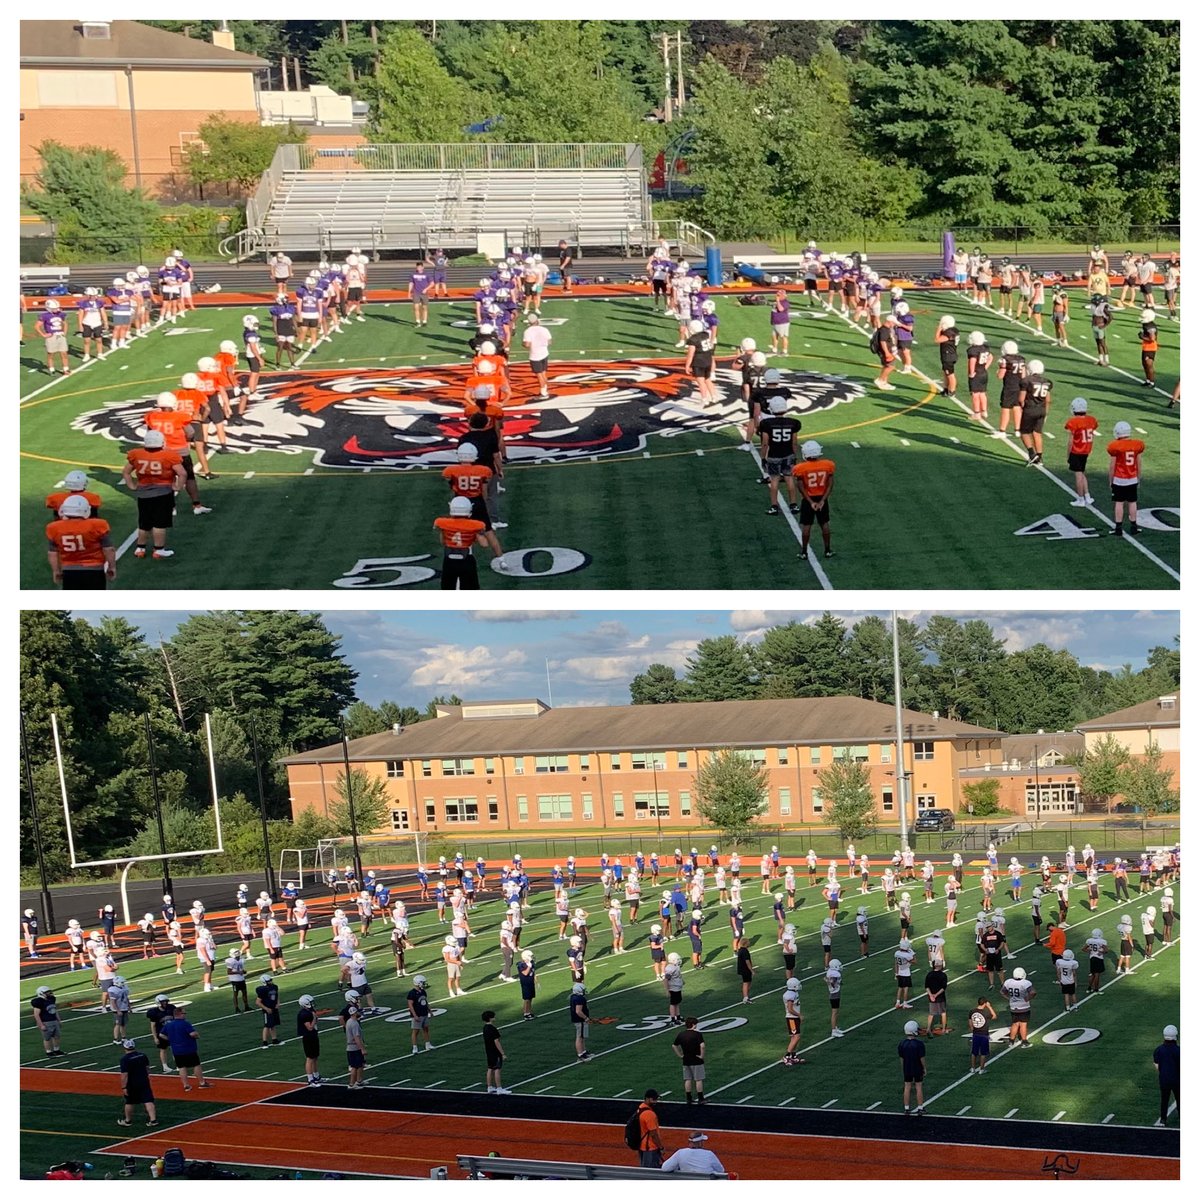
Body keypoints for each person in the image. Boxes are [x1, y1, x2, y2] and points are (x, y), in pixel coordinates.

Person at [46, 495, 116, 590]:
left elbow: (52, 553)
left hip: (68, 570)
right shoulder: (97, 525)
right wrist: (112, 566)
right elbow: (109, 549)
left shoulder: (54, 528)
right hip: (94, 568)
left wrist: (56, 571)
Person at [758, 395, 802, 516]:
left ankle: (774, 506)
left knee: (774, 480)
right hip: (788, 454)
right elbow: (794, 442)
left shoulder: (766, 423)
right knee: (789, 479)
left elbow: (765, 443)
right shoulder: (793, 423)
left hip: (774, 455)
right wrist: (795, 455)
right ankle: (793, 504)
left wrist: (763, 457)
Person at [434, 496, 488, 590]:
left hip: (449, 560)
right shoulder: (474, 525)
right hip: (467, 560)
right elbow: (484, 544)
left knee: (447, 588)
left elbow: (443, 541)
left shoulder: (444, 523)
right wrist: (477, 534)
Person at [1106, 420, 1145, 537]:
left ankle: (1118, 528)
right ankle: (1134, 526)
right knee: (1132, 503)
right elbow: (1139, 463)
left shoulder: (1115, 446)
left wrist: (1110, 480)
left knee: (1119, 503)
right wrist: (1138, 478)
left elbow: (1112, 466)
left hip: (1119, 479)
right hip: (1132, 478)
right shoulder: (1137, 444)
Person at [163, 1003, 211, 1091]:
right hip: (188, 1048)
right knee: (196, 1065)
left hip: (176, 1050)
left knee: (181, 1067)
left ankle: (186, 1085)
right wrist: (197, 1035)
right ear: (180, 1014)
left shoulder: (168, 1025)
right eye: (184, 1013)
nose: (185, 1015)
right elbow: (192, 1034)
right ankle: (202, 1082)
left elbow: (161, 1034)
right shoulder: (185, 1023)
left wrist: (171, 1039)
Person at [116, 1039, 158, 1128]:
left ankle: (128, 1121)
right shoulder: (143, 1055)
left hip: (132, 1083)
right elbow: (147, 1068)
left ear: (125, 1048)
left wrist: (124, 1087)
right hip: (144, 1081)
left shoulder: (125, 1059)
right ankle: (153, 1120)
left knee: (130, 1102)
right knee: (148, 1100)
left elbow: (124, 1075)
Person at [1000, 966, 1034, 1048]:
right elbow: (1033, 992)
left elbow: (1002, 992)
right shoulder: (1025, 983)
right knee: (1023, 1024)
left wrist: (1009, 998)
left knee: (1015, 1024)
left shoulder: (1009, 982)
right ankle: (1024, 1041)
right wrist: (1028, 998)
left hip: (1013, 1006)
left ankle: (1011, 1041)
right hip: (1023, 1006)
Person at [1153, 1025, 1180, 1127]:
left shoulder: (1158, 1050)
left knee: (1164, 1099)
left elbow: (1157, 1065)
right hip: (1177, 1079)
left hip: (1164, 1079)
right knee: (1180, 1099)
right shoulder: (1179, 1051)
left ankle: (1163, 1119)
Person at [898, 1020, 926, 1115]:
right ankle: (920, 1108)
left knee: (907, 1087)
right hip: (917, 1067)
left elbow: (901, 1058)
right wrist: (924, 1068)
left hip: (907, 1068)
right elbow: (922, 1058)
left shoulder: (902, 1044)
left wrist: (903, 1068)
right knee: (918, 1087)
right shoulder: (919, 1044)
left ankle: (906, 1108)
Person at [522, 312, 552, 399]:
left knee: (539, 375)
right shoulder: (544, 329)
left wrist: (523, 344)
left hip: (535, 355)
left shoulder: (528, 331)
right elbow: (549, 342)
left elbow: (527, 344)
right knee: (543, 373)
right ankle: (545, 390)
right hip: (544, 353)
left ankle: (543, 393)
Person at [481, 1010, 510, 1094]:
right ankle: (499, 1088)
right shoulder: (493, 1029)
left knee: (490, 1068)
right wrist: (502, 1053)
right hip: (495, 1051)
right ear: (490, 1018)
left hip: (488, 1051)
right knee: (497, 1069)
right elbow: (496, 1041)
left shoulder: (485, 1028)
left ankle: (489, 1087)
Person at [635, 1089, 665, 1168]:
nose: (656, 1101)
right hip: (650, 1147)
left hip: (642, 1145)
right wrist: (661, 1147)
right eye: (654, 1099)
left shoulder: (640, 1108)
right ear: (647, 1099)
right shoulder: (649, 1114)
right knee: (650, 1172)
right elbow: (653, 1134)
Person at [967, 997, 997, 1074]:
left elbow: (970, 1023)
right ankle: (982, 1069)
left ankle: (973, 1068)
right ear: (985, 1003)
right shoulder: (985, 1012)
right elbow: (994, 1016)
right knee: (983, 1053)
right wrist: (990, 1007)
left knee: (974, 1052)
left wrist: (973, 1029)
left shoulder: (972, 1011)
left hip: (975, 1034)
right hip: (983, 1034)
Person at [297, 994, 321, 1087]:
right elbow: (310, 1027)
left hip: (313, 1035)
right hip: (308, 1037)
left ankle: (316, 1076)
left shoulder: (309, 1011)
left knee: (315, 1057)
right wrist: (314, 1018)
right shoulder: (304, 1014)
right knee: (310, 1058)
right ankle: (310, 1079)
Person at [31, 985, 63, 1057]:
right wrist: (41, 1025)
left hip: (53, 1020)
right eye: (47, 992)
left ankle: (56, 1050)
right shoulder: (38, 1002)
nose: (49, 993)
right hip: (46, 1022)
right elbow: (36, 1015)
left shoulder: (51, 999)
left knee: (57, 1036)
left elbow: (55, 1010)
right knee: (47, 1038)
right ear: (41, 993)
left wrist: (59, 1020)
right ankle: (48, 1052)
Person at [870, 315, 899, 391]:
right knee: (891, 366)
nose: (894, 324)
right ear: (889, 322)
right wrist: (887, 353)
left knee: (886, 366)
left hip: (887, 351)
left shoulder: (884, 329)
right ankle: (880, 380)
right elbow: (882, 341)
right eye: (893, 323)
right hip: (886, 351)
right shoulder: (884, 330)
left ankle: (884, 382)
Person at [783, 977, 805, 1065]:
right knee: (796, 1036)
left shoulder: (792, 993)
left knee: (794, 1037)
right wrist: (799, 1015)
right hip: (792, 1018)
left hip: (793, 1018)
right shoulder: (790, 995)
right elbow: (790, 1008)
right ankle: (787, 1056)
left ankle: (793, 1056)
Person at [256, 973, 282, 1048]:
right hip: (267, 1009)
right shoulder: (262, 990)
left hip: (274, 1008)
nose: (271, 981)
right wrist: (266, 1008)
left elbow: (276, 996)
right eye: (269, 981)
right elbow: (258, 1002)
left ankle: (274, 1040)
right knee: (267, 1025)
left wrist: (278, 1003)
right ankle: (264, 1042)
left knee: (273, 1025)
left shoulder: (274, 987)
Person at [345, 1005, 367, 1090]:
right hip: (354, 1048)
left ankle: (359, 1080)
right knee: (355, 1066)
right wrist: (362, 1049)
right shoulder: (354, 1024)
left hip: (351, 1047)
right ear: (354, 1013)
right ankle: (352, 1084)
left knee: (359, 1065)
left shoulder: (349, 1021)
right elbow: (356, 1037)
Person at [570, 981, 593, 1060]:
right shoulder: (579, 998)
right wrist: (586, 1018)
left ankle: (583, 1051)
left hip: (579, 1019)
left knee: (582, 1036)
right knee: (580, 1037)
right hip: (580, 1020)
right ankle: (580, 1054)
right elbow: (578, 1011)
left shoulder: (573, 996)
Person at [225, 948, 250, 1013]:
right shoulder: (230, 961)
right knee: (235, 994)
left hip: (241, 979)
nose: (238, 955)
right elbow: (229, 972)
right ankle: (236, 1008)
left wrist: (243, 971)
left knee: (244, 993)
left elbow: (241, 969)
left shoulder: (241, 960)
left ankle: (246, 1006)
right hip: (235, 980)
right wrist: (239, 972)